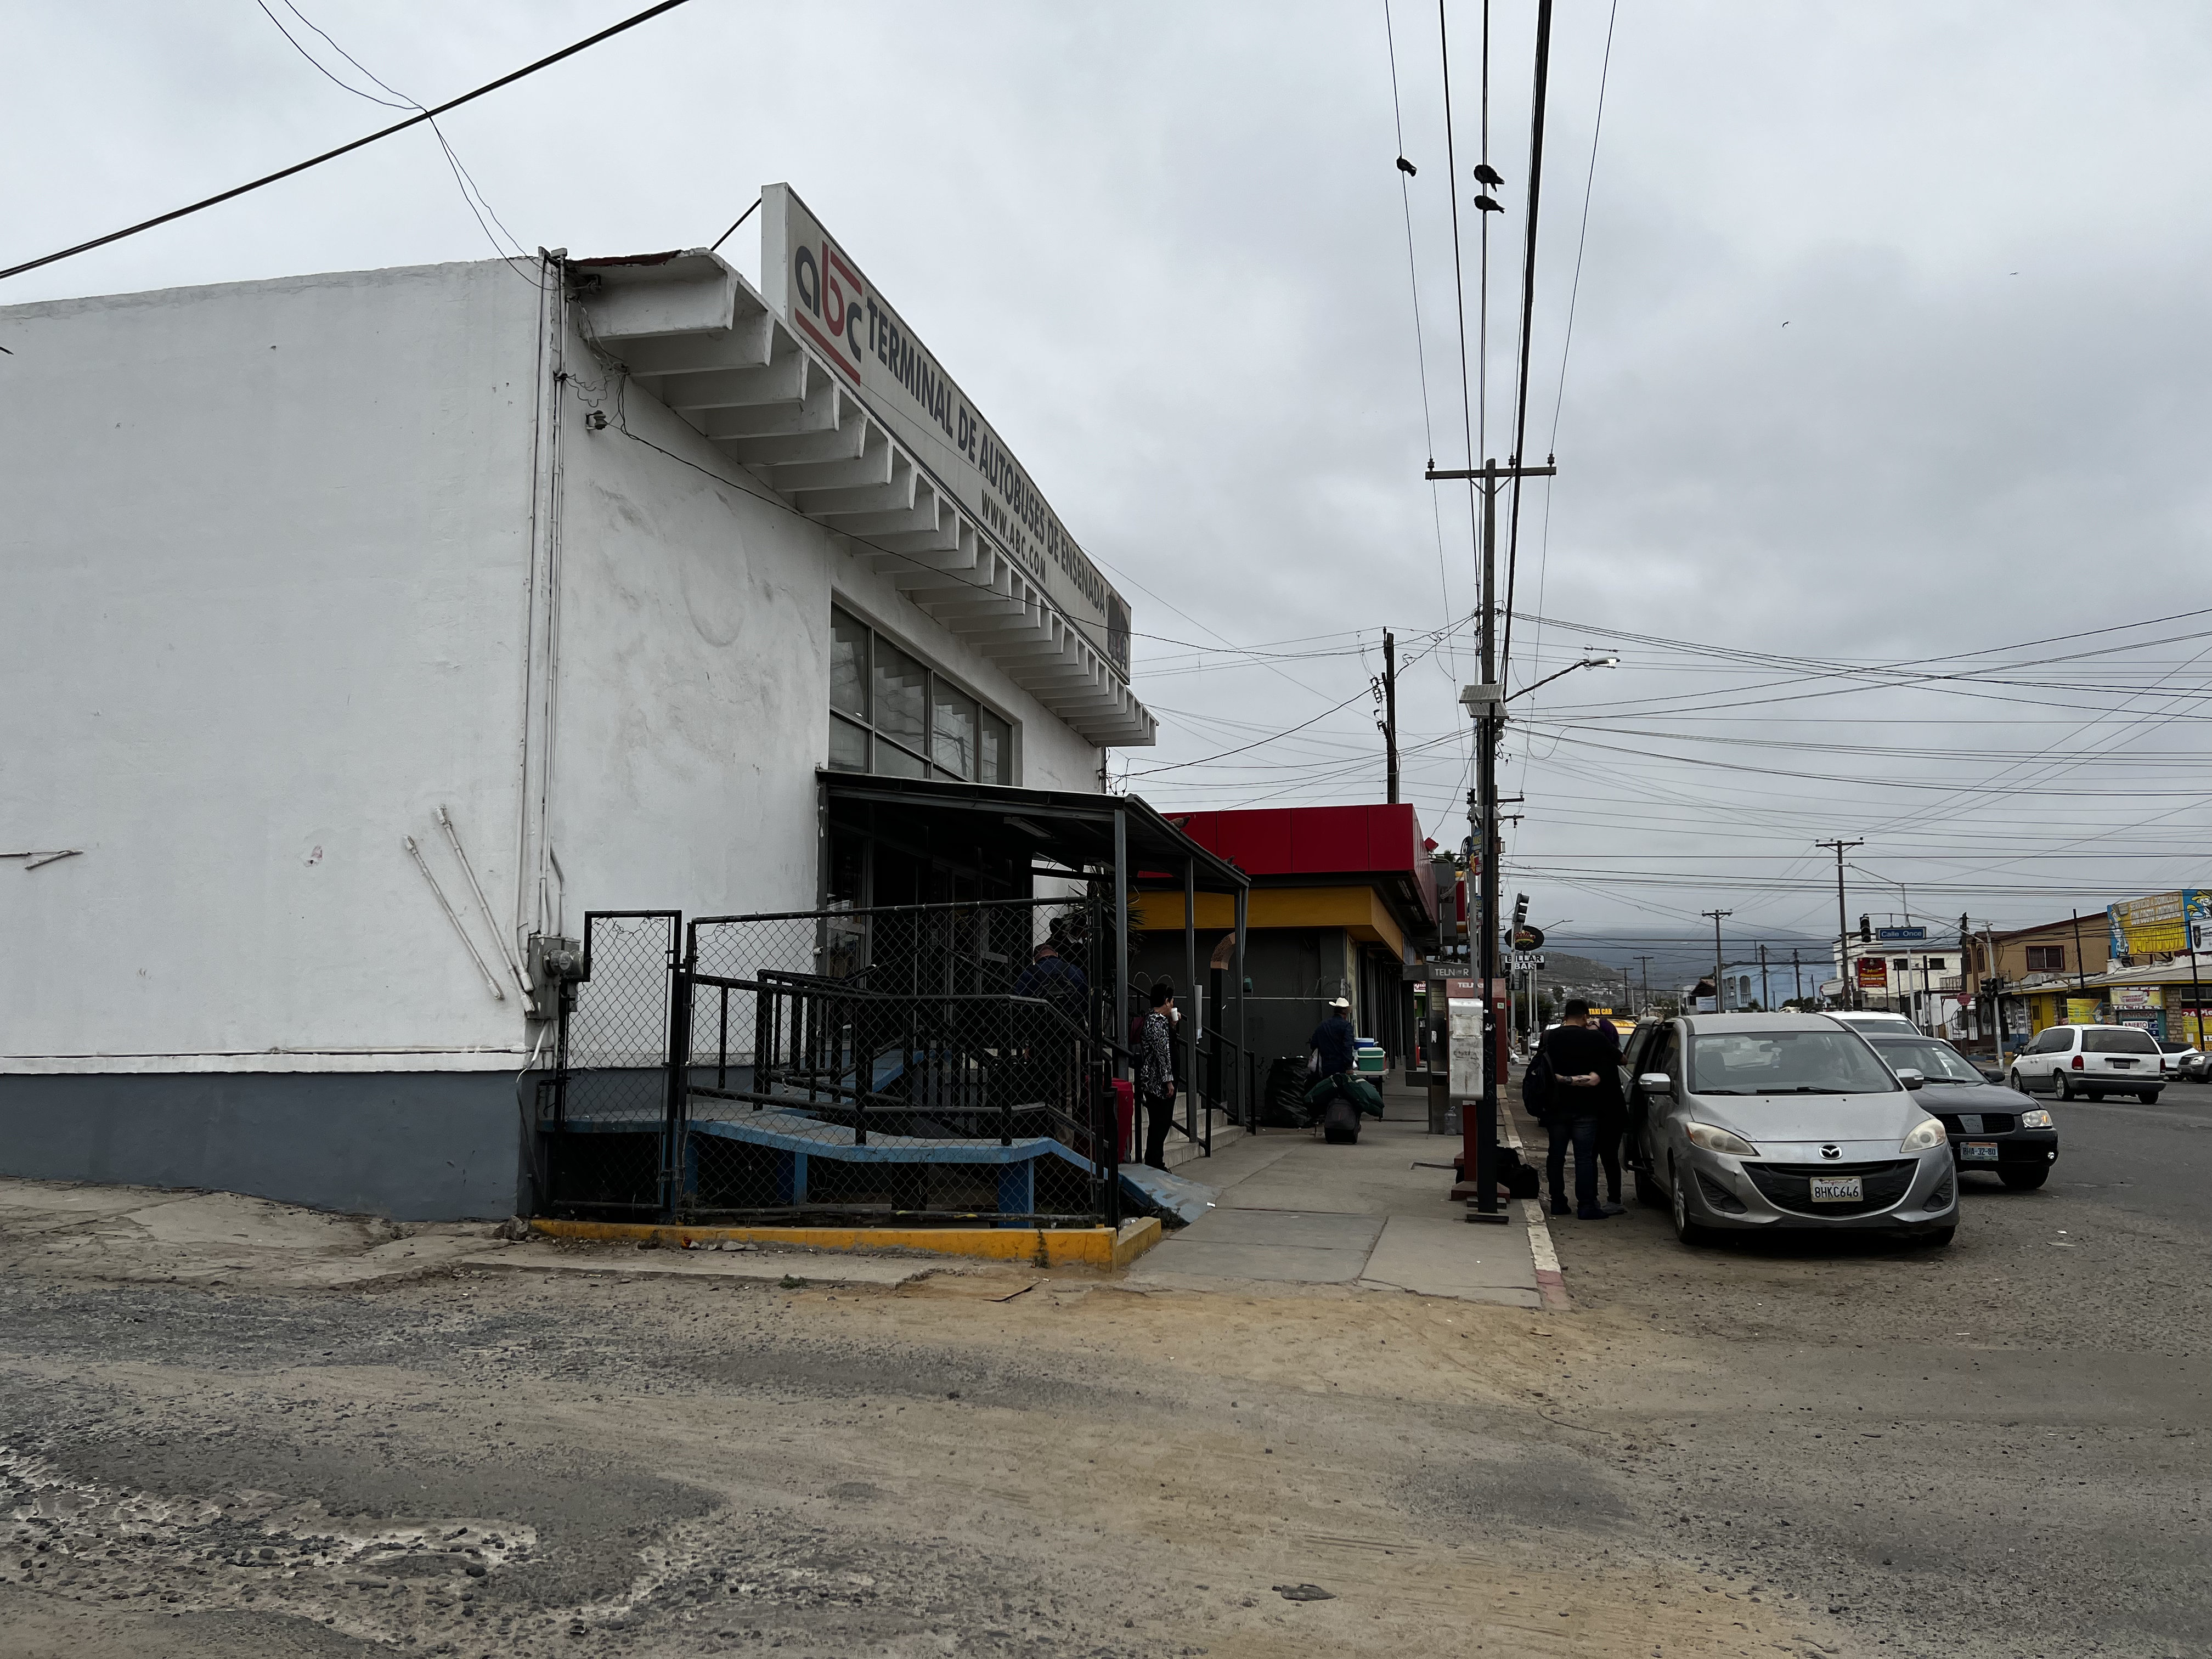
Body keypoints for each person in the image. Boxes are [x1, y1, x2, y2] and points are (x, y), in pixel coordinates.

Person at [1534, 998, 1625, 1220]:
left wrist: (1561, 1079)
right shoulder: (1594, 1037)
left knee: (1556, 1155)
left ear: (1565, 1015)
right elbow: (1621, 1059)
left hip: (1556, 1107)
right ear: (1585, 1016)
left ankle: (1558, 1202)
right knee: (1584, 1158)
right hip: (1586, 1108)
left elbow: (1542, 1069)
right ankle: (1586, 1206)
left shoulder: (1550, 1036)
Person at [1138, 980, 1180, 1170]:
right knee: (1160, 1122)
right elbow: (1163, 1053)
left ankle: (1155, 1160)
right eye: (1171, 1001)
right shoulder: (1156, 1021)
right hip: (1157, 1081)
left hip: (1157, 1080)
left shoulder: (1158, 1021)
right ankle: (1155, 1162)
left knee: (1160, 1122)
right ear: (1166, 1001)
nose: (1172, 1005)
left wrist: (1173, 1025)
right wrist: (1168, 1081)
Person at [1307, 996, 1357, 1081]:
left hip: (1325, 1065)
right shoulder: (1346, 1027)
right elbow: (1347, 1047)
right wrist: (1349, 1067)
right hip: (1341, 1066)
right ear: (1345, 1013)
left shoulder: (1323, 1025)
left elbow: (1314, 1044)